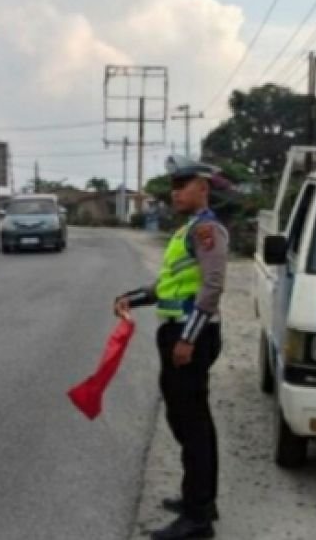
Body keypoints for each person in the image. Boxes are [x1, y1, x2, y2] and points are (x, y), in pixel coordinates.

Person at [115, 155, 229, 540]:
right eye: (173, 187)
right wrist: (132, 298)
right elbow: (168, 285)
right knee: (184, 421)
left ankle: (198, 519)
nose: (175, 193)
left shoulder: (207, 230)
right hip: (178, 333)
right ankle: (198, 499)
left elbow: (212, 288)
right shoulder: (188, 230)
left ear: (203, 188)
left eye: (183, 186)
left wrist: (188, 339)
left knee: (192, 425)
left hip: (190, 336)